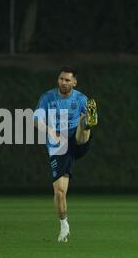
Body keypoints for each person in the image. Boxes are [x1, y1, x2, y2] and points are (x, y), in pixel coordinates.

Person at [34, 67, 98, 242]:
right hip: (58, 145)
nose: (63, 82)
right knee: (60, 191)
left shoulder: (81, 98)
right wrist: (49, 131)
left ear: (74, 82)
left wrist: (87, 121)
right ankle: (64, 226)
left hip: (77, 140)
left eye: (67, 80)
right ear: (58, 80)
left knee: (82, 125)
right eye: (61, 79)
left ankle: (87, 123)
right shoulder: (47, 97)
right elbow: (36, 120)